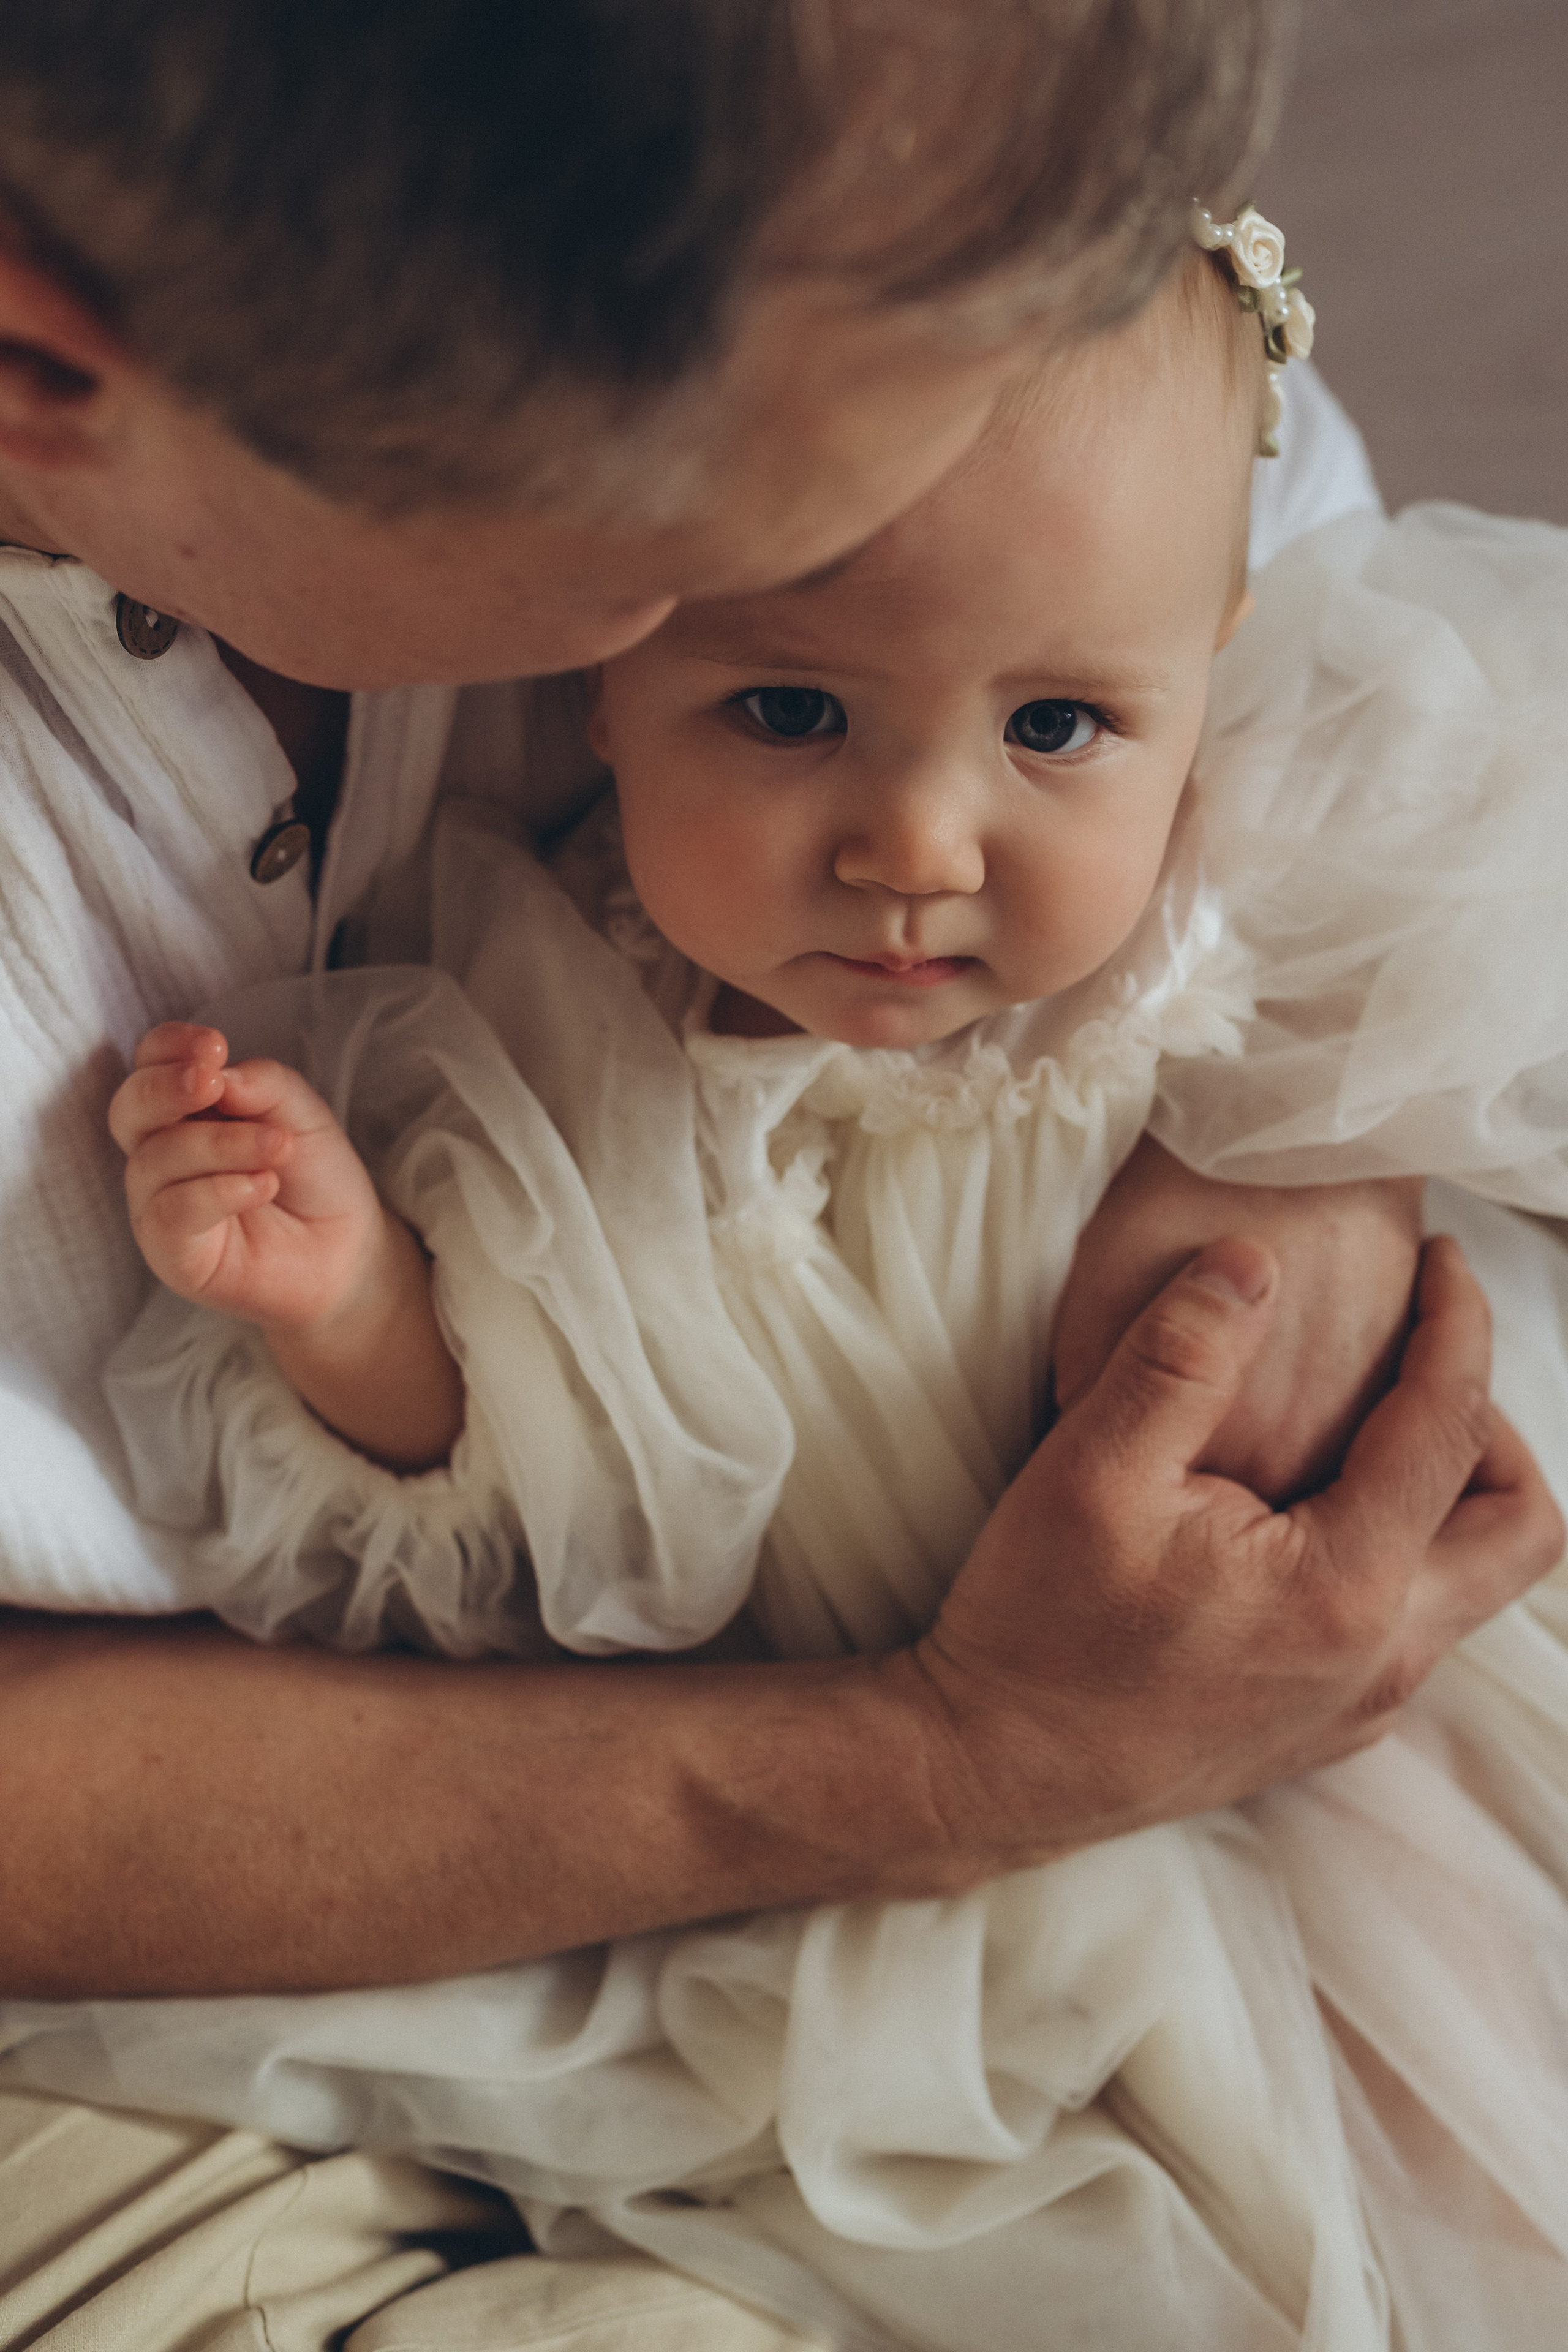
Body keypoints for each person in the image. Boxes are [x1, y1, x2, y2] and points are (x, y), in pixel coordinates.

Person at [0, 5, 1555, 2347]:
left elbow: (1236, 595)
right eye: (750, 615)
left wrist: (1280, 1215)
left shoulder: (852, 260)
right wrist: (956, 1756)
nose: (921, 847)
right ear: (54, 374)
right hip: (177, 1895)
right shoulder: (525, 1056)